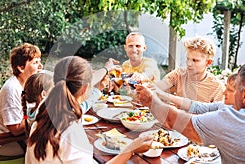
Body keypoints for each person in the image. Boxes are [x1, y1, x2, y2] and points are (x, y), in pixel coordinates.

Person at [136, 60, 245, 163]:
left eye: (235, 89)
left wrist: (150, 101)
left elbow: (174, 120)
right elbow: (198, 107)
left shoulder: (233, 119)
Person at [25, 56, 153, 163]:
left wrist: (101, 76)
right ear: (85, 88)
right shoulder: (70, 130)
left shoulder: (46, 107)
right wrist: (131, 149)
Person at [0, 43, 43, 156]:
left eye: (39, 61)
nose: (40, 66)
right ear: (21, 68)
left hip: (19, 137)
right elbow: (15, 130)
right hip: (3, 142)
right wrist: (38, 113)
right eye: (35, 63)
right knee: (48, 148)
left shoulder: (27, 84)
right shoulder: (11, 90)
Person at [155, 36, 225, 103]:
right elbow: (158, 88)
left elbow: (219, 114)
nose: (189, 64)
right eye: (188, 59)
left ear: (208, 62)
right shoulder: (178, 75)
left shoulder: (217, 88)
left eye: (195, 60)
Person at [153, 73, 237, 113]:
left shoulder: (229, 115)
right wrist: (162, 94)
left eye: (230, 90)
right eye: (188, 58)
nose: (224, 92)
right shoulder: (221, 106)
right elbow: (196, 106)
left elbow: (204, 120)